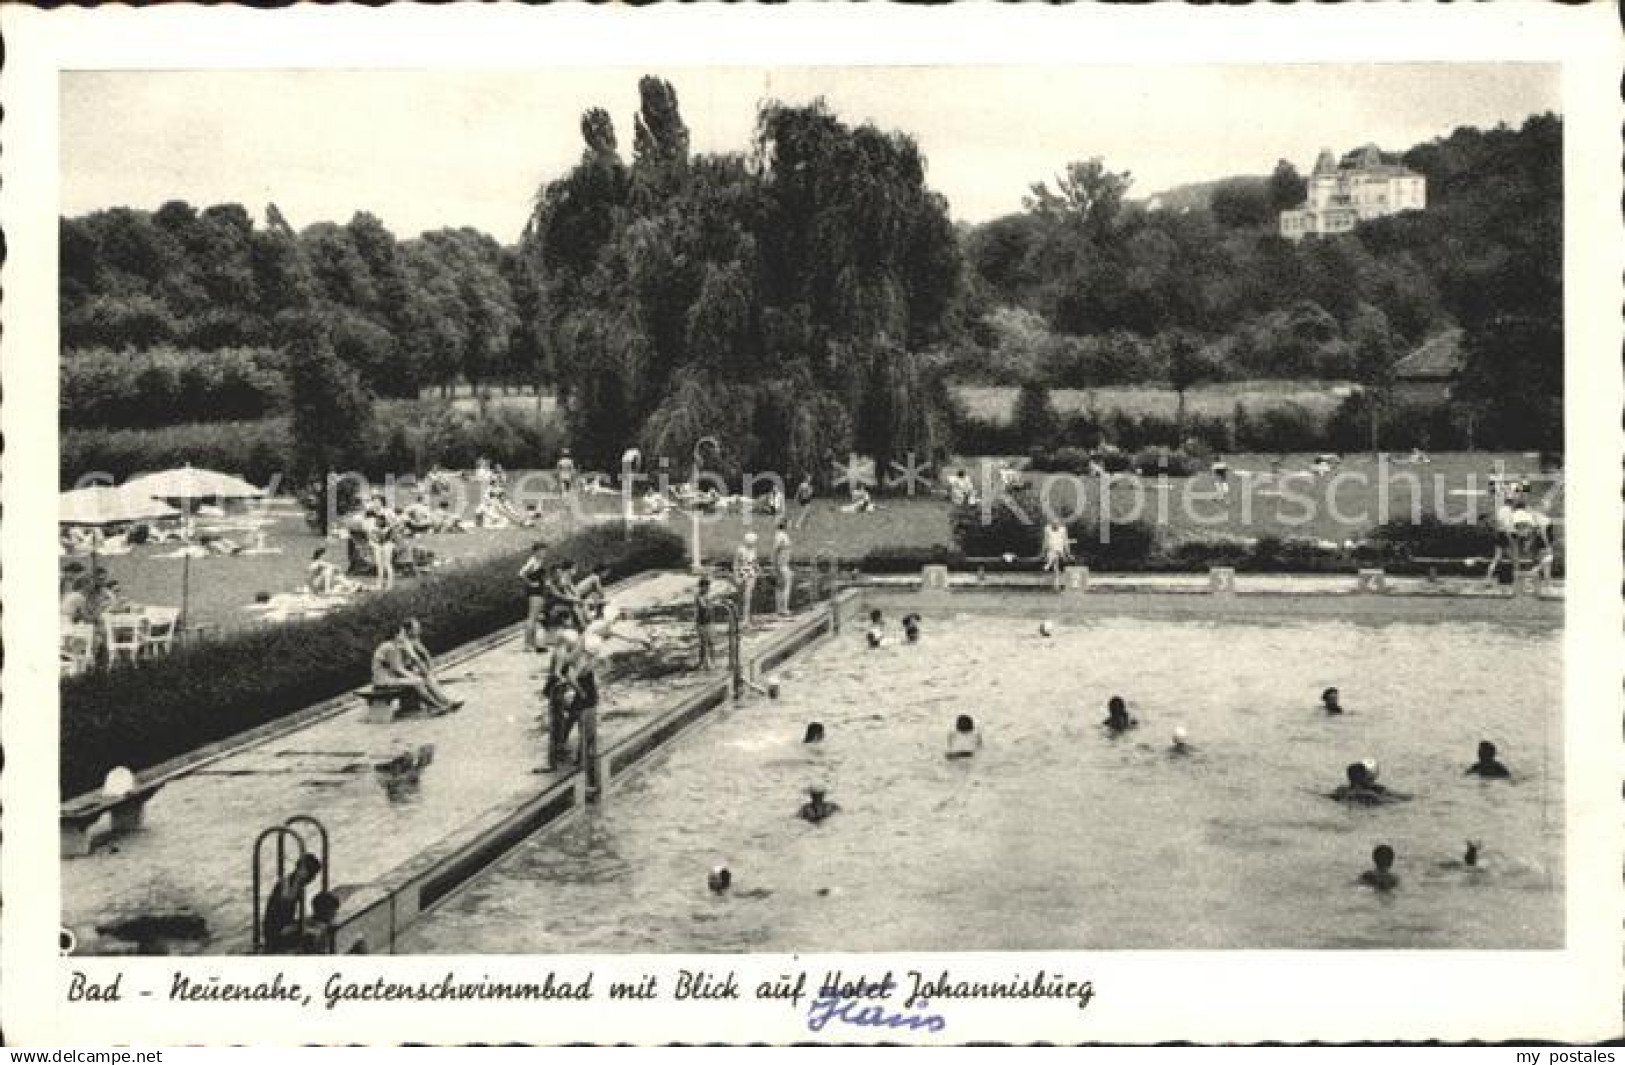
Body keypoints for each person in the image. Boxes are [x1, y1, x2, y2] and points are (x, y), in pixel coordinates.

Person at [371, 622, 453, 715]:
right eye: (402, 633)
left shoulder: (390, 645)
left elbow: (398, 668)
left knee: (419, 678)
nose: (404, 635)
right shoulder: (390, 647)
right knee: (417, 681)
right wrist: (413, 677)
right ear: (396, 635)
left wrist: (413, 675)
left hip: (387, 679)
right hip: (383, 681)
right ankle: (436, 706)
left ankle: (443, 702)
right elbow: (397, 668)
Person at [261, 853, 322, 953]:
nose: (313, 879)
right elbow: (285, 903)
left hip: (282, 926)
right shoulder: (286, 885)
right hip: (276, 932)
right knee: (314, 934)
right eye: (312, 875)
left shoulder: (295, 885)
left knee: (314, 926)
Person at [402, 618, 462, 712]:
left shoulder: (414, 638)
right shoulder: (404, 641)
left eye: (418, 628)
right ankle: (440, 703)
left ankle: (444, 702)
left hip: (408, 669)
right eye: (416, 628)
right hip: (399, 671)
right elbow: (413, 658)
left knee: (427, 677)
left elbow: (425, 653)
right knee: (424, 677)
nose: (419, 630)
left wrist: (430, 668)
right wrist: (425, 670)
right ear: (408, 630)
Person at [519, 542, 550, 651]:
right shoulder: (532, 560)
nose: (544, 553)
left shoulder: (538, 561)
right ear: (536, 551)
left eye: (545, 551)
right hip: (534, 592)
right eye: (542, 551)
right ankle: (527, 644)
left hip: (539, 591)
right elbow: (521, 573)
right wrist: (531, 583)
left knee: (535, 617)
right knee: (532, 617)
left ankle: (532, 643)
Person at [733, 533, 762, 626]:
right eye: (751, 542)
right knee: (741, 597)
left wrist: (758, 569)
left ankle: (746, 618)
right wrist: (736, 575)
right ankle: (740, 617)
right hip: (742, 573)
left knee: (748, 596)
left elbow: (755, 561)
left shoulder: (754, 550)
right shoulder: (740, 550)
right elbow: (736, 563)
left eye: (753, 542)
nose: (753, 543)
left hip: (751, 573)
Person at [1041, 519, 1072, 590]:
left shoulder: (1063, 530)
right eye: (1053, 526)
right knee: (1056, 569)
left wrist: (1068, 553)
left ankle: (1049, 564)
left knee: (1056, 555)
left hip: (1060, 551)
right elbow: (1045, 541)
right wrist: (1043, 552)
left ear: (1059, 525)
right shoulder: (1047, 529)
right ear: (1051, 525)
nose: (1055, 527)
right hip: (1051, 551)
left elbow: (1065, 542)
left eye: (1056, 525)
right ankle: (1056, 584)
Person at [771, 522, 794, 615]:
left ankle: (781, 609)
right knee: (784, 587)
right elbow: (775, 551)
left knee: (781, 587)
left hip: (783, 564)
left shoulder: (780, 535)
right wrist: (775, 566)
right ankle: (782, 609)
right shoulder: (781, 536)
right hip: (782, 565)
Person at [693, 576, 716, 669]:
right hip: (702, 623)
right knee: (703, 643)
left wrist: (711, 603)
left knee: (711, 642)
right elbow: (703, 606)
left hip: (709, 621)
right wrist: (710, 604)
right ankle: (703, 662)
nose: (708, 588)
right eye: (706, 586)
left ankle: (712, 661)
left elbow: (710, 607)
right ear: (701, 587)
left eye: (708, 586)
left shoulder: (707, 595)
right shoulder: (699, 596)